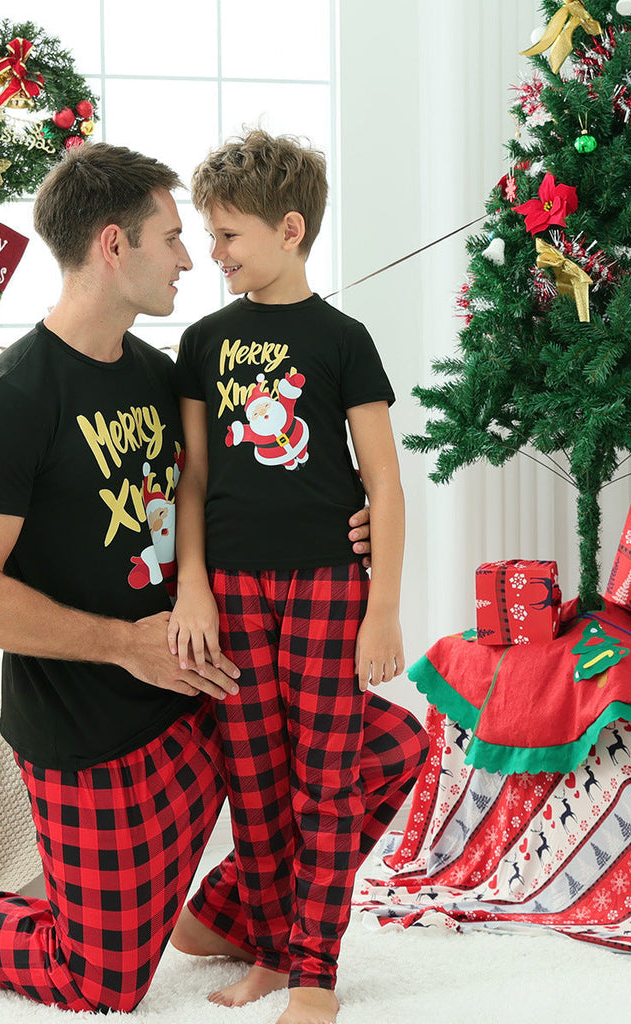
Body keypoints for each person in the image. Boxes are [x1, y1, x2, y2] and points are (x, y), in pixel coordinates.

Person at [0, 141, 376, 1014]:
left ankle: (230, 912)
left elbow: (237, 481)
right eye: (173, 237)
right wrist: (126, 646)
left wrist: (348, 519)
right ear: (112, 245)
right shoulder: (7, 403)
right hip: (97, 731)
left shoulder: (162, 376)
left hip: (211, 684)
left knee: (389, 751)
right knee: (98, 986)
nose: (189, 257)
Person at [166, 130, 428, 1024]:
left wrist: (384, 607)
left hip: (327, 586)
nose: (213, 253)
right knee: (258, 784)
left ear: (289, 228)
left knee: (327, 779)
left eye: (228, 236)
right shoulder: (202, 342)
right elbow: (192, 478)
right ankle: (273, 953)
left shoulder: (343, 339)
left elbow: (384, 479)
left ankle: (315, 974)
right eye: (208, 236)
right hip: (233, 592)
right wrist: (192, 584)